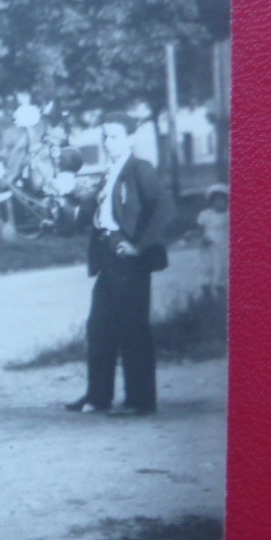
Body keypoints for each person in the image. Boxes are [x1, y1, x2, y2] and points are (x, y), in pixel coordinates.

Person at [66, 112, 173, 417]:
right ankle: (98, 397)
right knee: (99, 326)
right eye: (104, 136)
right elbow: (95, 212)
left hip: (129, 260)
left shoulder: (139, 169)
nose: (107, 142)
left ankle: (140, 401)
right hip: (106, 257)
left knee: (133, 328)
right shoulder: (109, 172)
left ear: (129, 138)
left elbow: (165, 207)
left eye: (114, 136)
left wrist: (141, 246)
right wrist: (65, 207)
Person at [196, 182, 230, 296]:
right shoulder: (206, 214)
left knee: (221, 264)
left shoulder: (229, 214)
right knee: (206, 264)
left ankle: (220, 285)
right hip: (208, 242)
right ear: (210, 202)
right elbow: (201, 227)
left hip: (223, 242)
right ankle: (205, 284)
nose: (219, 203)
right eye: (215, 200)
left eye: (222, 200)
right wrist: (203, 237)